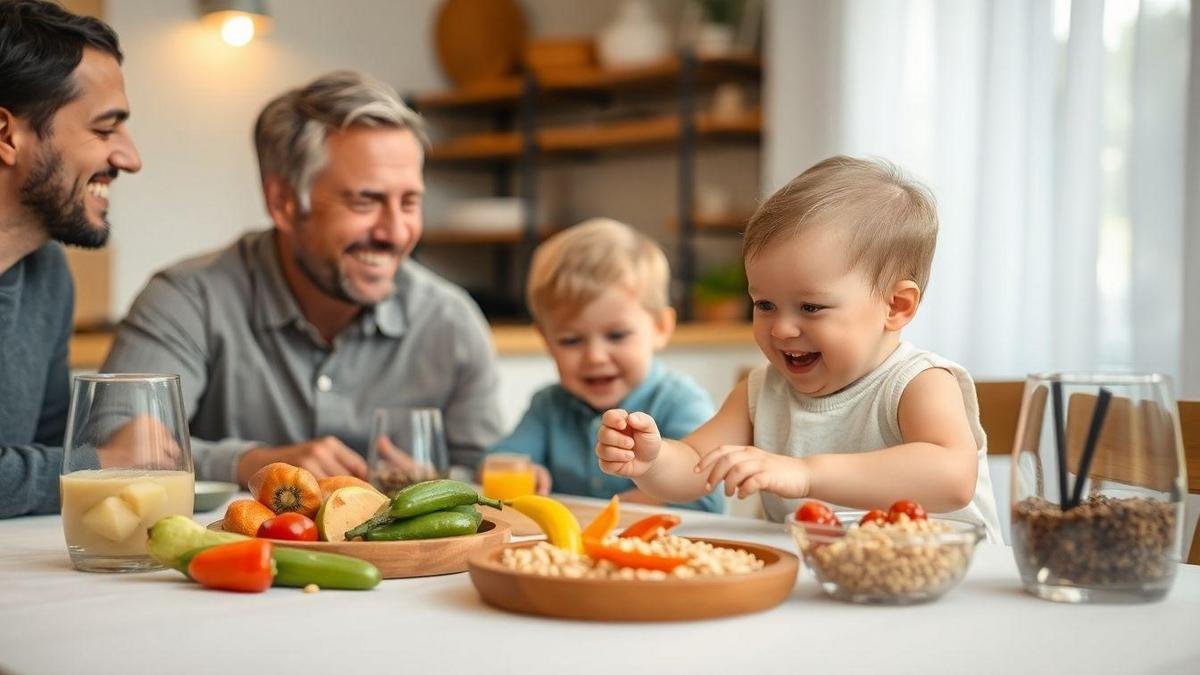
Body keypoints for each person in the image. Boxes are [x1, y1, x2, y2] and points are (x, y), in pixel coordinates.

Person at [102, 70, 503, 486]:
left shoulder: (450, 321)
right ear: (285, 203)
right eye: (365, 200)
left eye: (410, 202)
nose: (396, 233)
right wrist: (253, 464)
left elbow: (487, 471)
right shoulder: (187, 301)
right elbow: (114, 449)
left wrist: (429, 480)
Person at [595, 157, 1002, 540]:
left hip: (949, 587)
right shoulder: (761, 392)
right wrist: (654, 460)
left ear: (895, 306)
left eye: (811, 307)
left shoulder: (918, 384)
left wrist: (806, 474)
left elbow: (952, 479)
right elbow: (696, 469)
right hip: (821, 584)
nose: (783, 329)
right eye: (764, 305)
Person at [0, 0, 142, 518]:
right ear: (6, 135)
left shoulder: (47, 274)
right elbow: (70, 466)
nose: (131, 158)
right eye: (105, 130)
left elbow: (46, 451)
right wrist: (102, 462)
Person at [487, 218, 722, 512]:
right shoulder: (548, 405)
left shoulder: (679, 401)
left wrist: (606, 511)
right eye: (571, 340)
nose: (595, 357)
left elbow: (706, 495)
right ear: (546, 341)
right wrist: (523, 472)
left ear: (661, 327)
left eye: (616, 335)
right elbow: (498, 460)